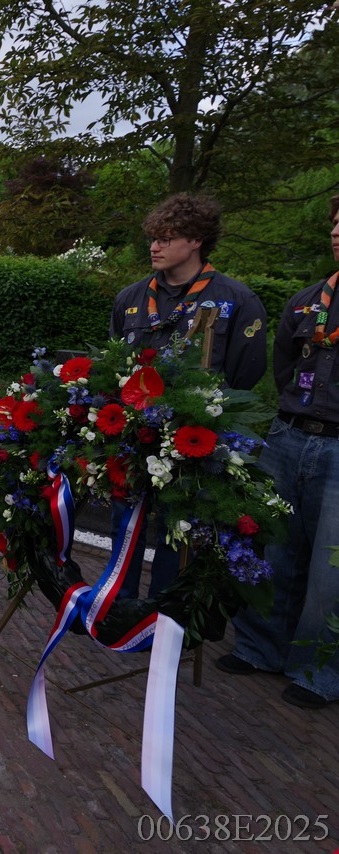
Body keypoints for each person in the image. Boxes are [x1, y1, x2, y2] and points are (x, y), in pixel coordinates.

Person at [109, 193, 267, 598]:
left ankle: (163, 618)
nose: (154, 246)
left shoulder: (237, 300)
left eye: (166, 238)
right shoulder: (130, 298)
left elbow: (245, 375)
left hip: (194, 444)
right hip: (135, 440)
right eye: (153, 238)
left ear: (196, 240)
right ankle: (116, 611)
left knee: (178, 533)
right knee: (124, 525)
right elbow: (116, 365)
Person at [217, 196, 339, 711]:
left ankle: (318, 671)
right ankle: (260, 647)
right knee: (273, 546)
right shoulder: (308, 300)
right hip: (289, 436)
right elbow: (286, 366)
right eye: (335, 224)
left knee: (331, 569)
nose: (336, 233)